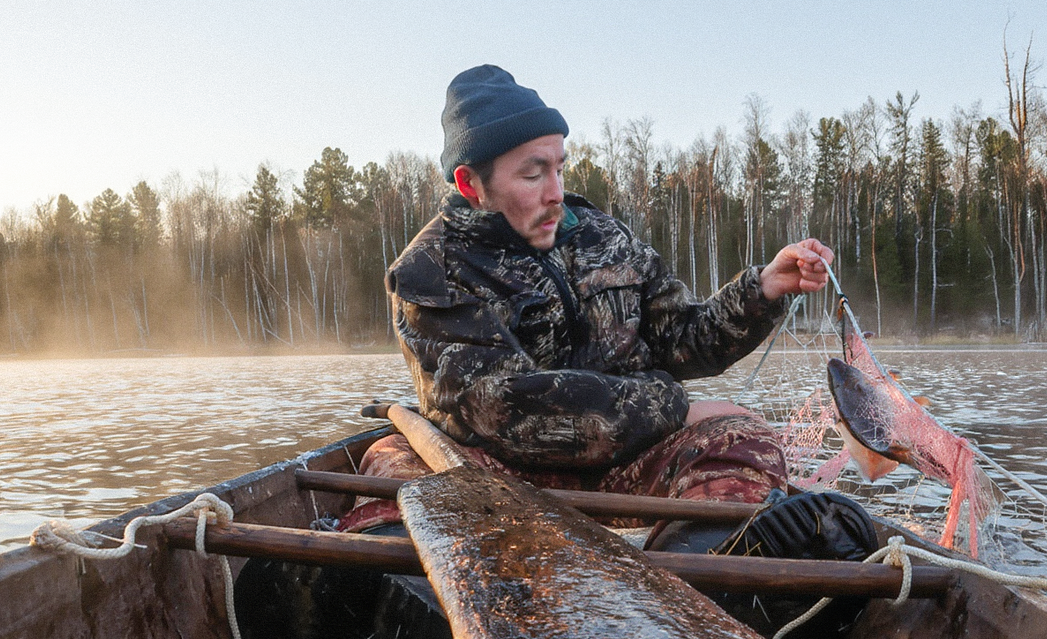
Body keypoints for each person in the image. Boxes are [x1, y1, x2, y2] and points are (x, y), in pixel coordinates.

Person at [340, 64, 834, 551]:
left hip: (625, 470)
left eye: (559, 168)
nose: (555, 193)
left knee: (745, 441)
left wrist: (764, 288)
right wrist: (674, 407)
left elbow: (682, 339)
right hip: (499, 481)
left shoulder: (604, 236)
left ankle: (688, 581)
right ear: (471, 184)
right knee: (389, 461)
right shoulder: (427, 271)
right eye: (533, 174)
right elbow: (507, 409)